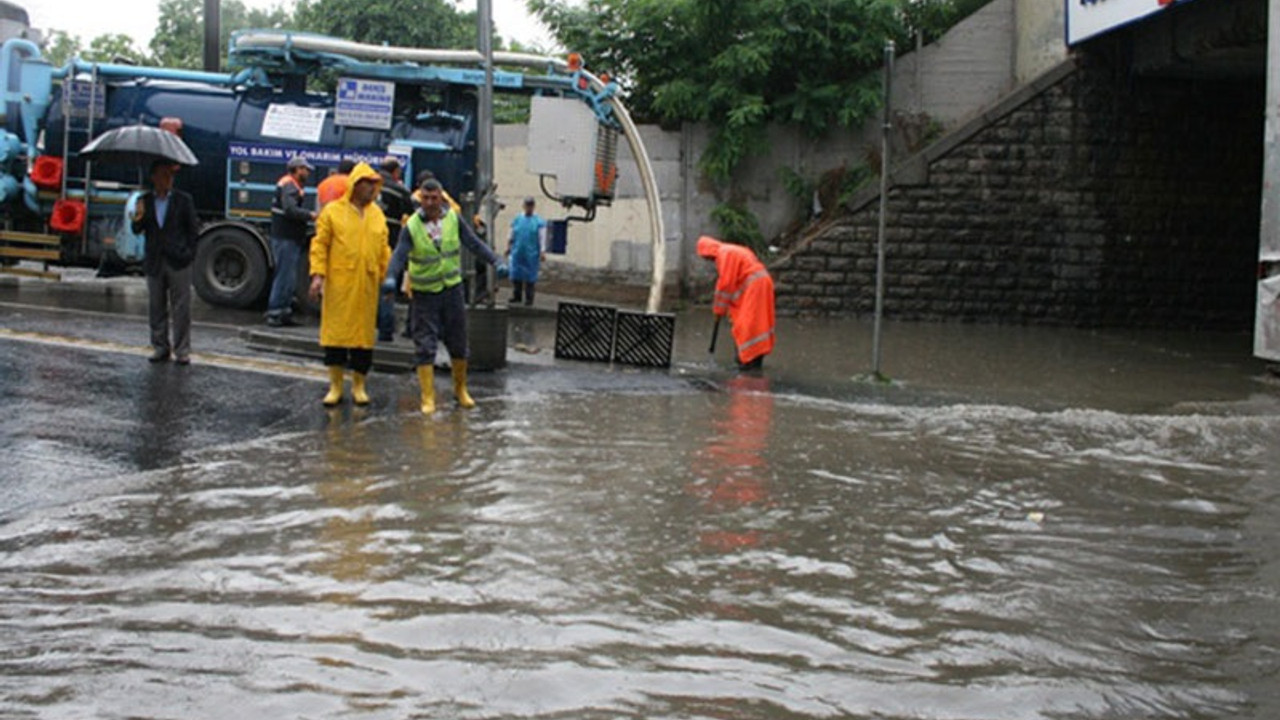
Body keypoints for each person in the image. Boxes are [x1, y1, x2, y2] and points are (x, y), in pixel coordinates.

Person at [384, 178, 506, 414]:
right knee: (425, 343)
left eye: (434, 198)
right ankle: (427, 396)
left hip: (452, 289)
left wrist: (495, 260)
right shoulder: (412, 226)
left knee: (458, 341)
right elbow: (399, 254)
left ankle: (460, 389)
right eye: (425, 198)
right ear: (420, 199)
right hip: (424, 293)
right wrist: (391, 276)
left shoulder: (452, 218)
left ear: (441, 198)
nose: (429, 203)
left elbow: (473, 243)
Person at [308, 162, 391, 407]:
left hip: (367, 285)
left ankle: (359, 386)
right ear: (356, 185)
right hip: (340, 284)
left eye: (375, 185)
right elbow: (320, 245)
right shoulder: (333, 212)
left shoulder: (377, 214)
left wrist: (388, 279)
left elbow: (384, 248)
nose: (372, 190)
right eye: (368, 184)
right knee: (336, 337)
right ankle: (335, 386)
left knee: (363, 340)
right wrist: (317, 275)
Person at [132, 160, 201, 365]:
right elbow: (137, 230)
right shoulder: (145, 200)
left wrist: (189, 254)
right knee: (156, 306)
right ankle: (160, 347)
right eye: (163, 175)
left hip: (178, 260)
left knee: (181, 307)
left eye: (170, 176)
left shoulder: (183, 200)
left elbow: (193, 230)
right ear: (154, 177)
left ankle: (182, 350)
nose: (168, 179)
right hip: (155, 260)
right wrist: (138, 216)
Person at [696, 235, 776, 370]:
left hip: (755, 287)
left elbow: (725, 285)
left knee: (748, 324)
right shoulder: (732, 250)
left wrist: (718, 310)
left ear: (708, 251)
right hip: (762, 283)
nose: (709, 261)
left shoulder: (724, 254)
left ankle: (748, 360)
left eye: (706, 257)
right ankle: (752, 358)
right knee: (758, 322)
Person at [265, 155, 317, 327]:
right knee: (285, 275)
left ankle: (283, 311)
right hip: (286, 236)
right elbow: (290, 209)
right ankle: (276, 312)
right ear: (297, 169)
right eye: (305, 169)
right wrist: (310, 215)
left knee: (288, 275)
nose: (308, 173)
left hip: (288, 237)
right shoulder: (289, 185)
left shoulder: (290, 184)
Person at [376, 156, 415, 342]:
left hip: (367, 240)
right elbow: (412, 212)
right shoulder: (399, 190)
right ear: (396, 172)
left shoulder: (369, 184)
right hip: (390, 240)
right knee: (389, 283)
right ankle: (385, 328)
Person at [507, 196, 547, 306]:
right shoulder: (517, 219)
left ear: (533, 207)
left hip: (531, 253)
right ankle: (517, 296)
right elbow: (511, 233)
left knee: (530, 277)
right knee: (516, 274)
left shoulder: (538, 222)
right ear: (524, 206)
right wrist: (508, 246)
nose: (529, 208)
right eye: (527, 205)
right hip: (518, 251)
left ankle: (529, 299)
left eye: (531, 205)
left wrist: (542, 251)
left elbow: (541, 238)